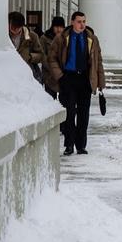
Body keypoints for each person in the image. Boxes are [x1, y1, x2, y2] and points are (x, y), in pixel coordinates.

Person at [48, 11, 105, 156]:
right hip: (68, 79)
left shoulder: (92, 38)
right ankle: (69, 145)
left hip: (85, 79)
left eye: (84, 21)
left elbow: (98, 62)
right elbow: (52, 58)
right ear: (72, 22)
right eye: (79, 21)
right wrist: (60, 76)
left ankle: (81, 145)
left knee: (83, 115)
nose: (82, 25)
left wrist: (100, 83)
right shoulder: (62, 38)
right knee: (69, 113)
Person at [9, 11, 45, 82]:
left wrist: (30, 56)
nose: (15, 30)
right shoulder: (2, 36)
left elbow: (41, 55)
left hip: (26, 73)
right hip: (9, 72)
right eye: (13, 27)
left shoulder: (32, 36)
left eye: (18, 27)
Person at [39, 16, 65, 98]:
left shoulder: (66, 38)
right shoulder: (45, 38)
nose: (59, 29)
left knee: (64, 101)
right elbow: (42, 54)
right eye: (56, 27)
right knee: (49, 100)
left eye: (61, 27)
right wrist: (52, 68)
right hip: (49, 75)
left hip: (62, 75)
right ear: (52, 27)